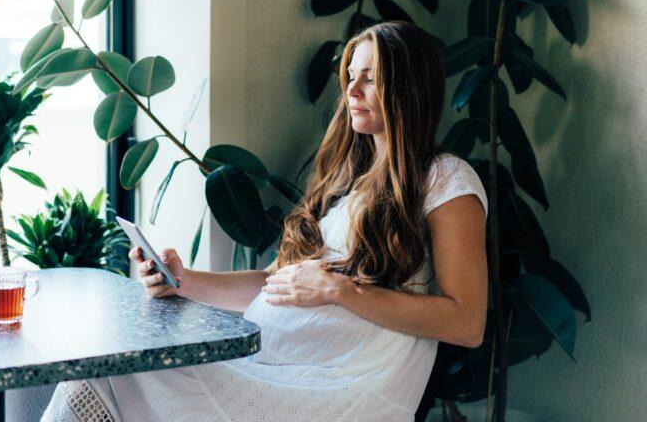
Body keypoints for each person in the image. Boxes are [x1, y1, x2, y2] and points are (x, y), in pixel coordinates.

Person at [41, 21, 488, 422]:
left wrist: (340, 289)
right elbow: (276, 284)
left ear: (408, 89)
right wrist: (184, 280)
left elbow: (466, 323)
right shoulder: (349, 181)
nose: (351, 91)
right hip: (270, 367)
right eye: (351, 77)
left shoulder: (445, 180)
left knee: (108, 374)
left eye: (370, 80)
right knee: (101, 372)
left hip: (343, 391)